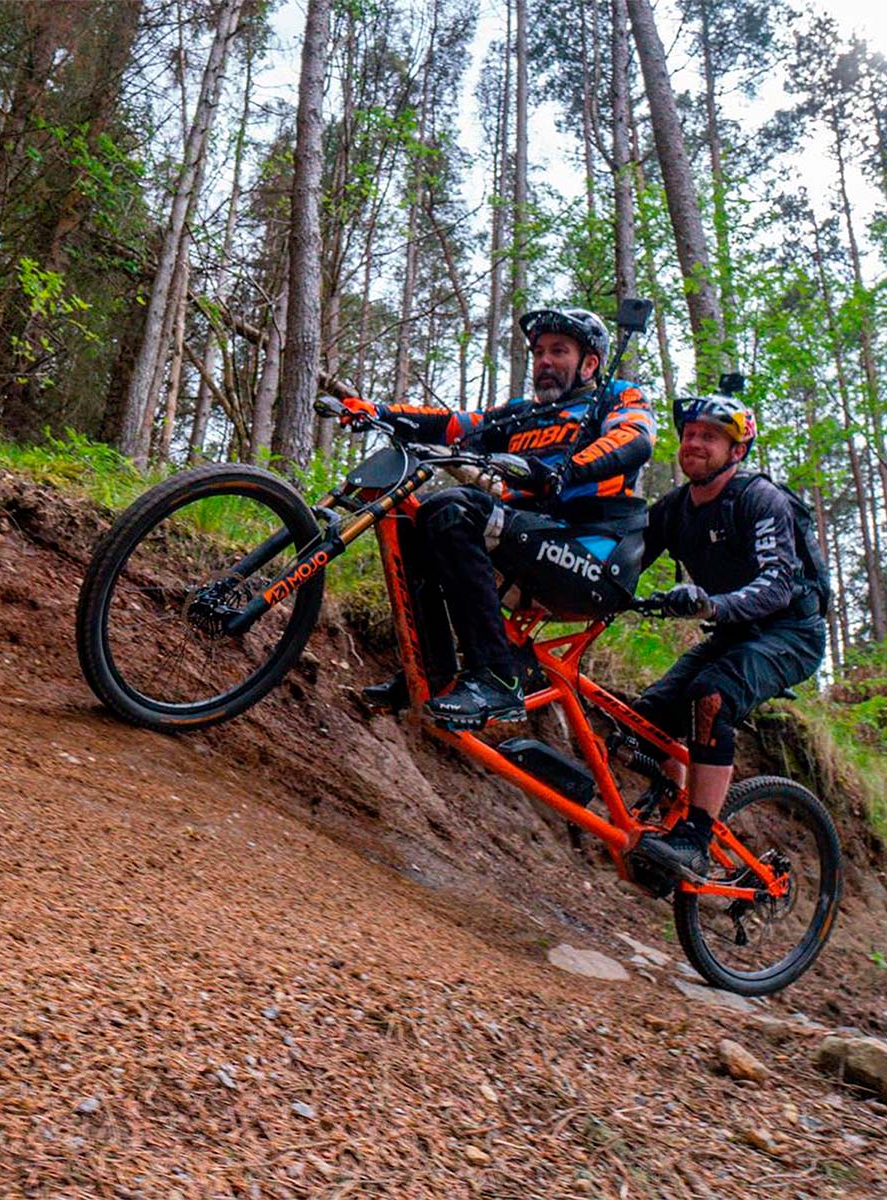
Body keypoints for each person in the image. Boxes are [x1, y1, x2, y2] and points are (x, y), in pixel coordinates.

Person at [339, 306, 656, 730]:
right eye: (538, 351)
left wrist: (565, 471)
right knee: (418, 525)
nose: (544, 361)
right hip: (535, 546)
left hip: (595, 556)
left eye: (558, 351)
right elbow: (457, 424)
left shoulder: (617, 395)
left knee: (457, 508)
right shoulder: (524, 413)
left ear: (590, 363)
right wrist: (378, 412)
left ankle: (496, 679)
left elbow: (634, 439)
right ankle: (435, 672)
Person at [631, 392, 828, 879]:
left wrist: (709, 603)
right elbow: (624, 561)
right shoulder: (675, 508)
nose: (695, 442)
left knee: (711, 694)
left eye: (710, 437)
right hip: (735, 632)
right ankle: (671, 820)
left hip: (792, 632)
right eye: (690, 434)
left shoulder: (760, 499)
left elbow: (778, 583)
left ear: (736, 451)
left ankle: (695, 842)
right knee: (647, 718)